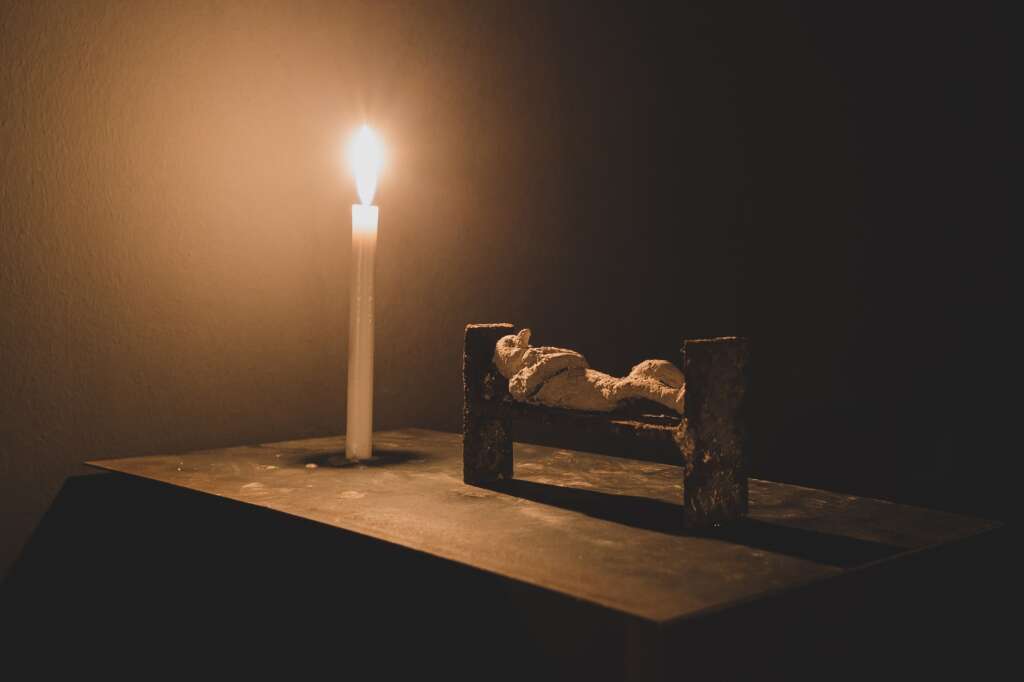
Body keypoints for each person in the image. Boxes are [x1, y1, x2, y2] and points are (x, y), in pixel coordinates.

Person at [493, 329, 685, 414]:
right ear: (507, 363)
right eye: (517, 350)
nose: (528, 349)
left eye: (523, 348)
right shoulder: (517, 383)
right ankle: (673, 398)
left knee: (625, 382)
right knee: (617, 389)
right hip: (580, 393)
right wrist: (546, 359)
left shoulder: (537, 356)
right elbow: (539, 376)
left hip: (581, 378)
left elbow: (577, 357)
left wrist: (545, 355)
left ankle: (676, 385)